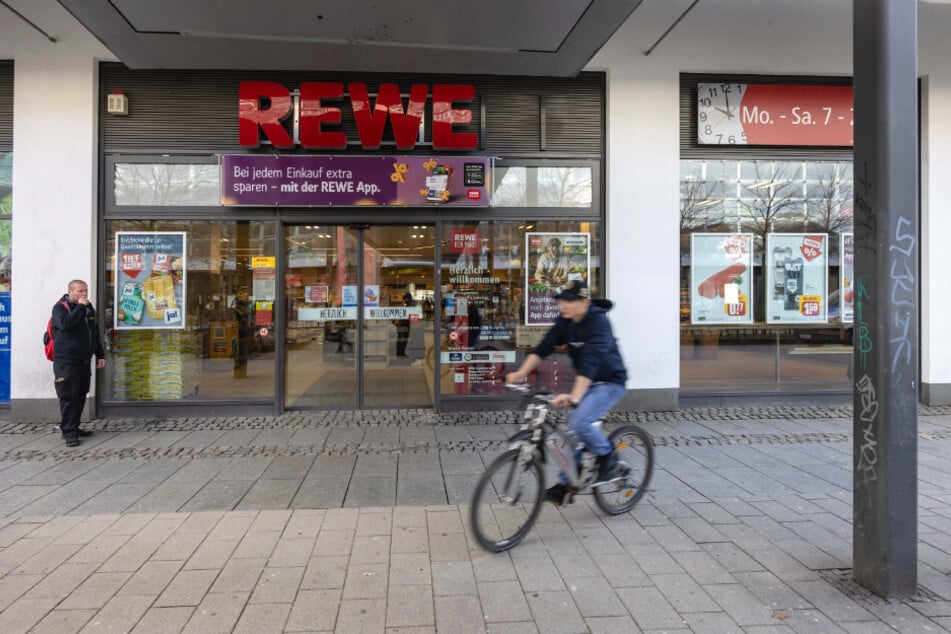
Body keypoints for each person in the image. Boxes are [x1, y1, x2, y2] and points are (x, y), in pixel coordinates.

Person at [505, 280, 627, 506]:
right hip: (586, 382)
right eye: (562, 300)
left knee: (579, 422)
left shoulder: (599, 323)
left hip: (609, 382)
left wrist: (574, 397)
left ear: (585, 302)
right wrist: (520, 373)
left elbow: (591, 361)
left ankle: (608, 456)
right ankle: (566, 483)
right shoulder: (565, 321)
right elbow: (543, 347)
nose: (563, 304)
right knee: (572, 434)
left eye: (569, 301)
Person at [50, 279, 105, 447]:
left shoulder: (89, 308)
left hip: (84, 360)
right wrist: (80, 307)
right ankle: (69, 432)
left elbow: (93, 332)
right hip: (66, 361)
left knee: (81, 394)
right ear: (70, 291)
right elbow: (66, 325)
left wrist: (99, 354)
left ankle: (73, 425)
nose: (84, 294)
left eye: (86, 291)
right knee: (68, 396)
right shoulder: (60, 307)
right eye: (80, 291)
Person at [395, 292, 413, 358]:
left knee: (400, 338)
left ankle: (399, 353)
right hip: (404, 324)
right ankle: (401, 353)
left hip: (400, 324)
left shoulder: (402, 304)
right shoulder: (406, 305)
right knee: (403, 339)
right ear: (408, 298)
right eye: (410, 298)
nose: (411, 300)